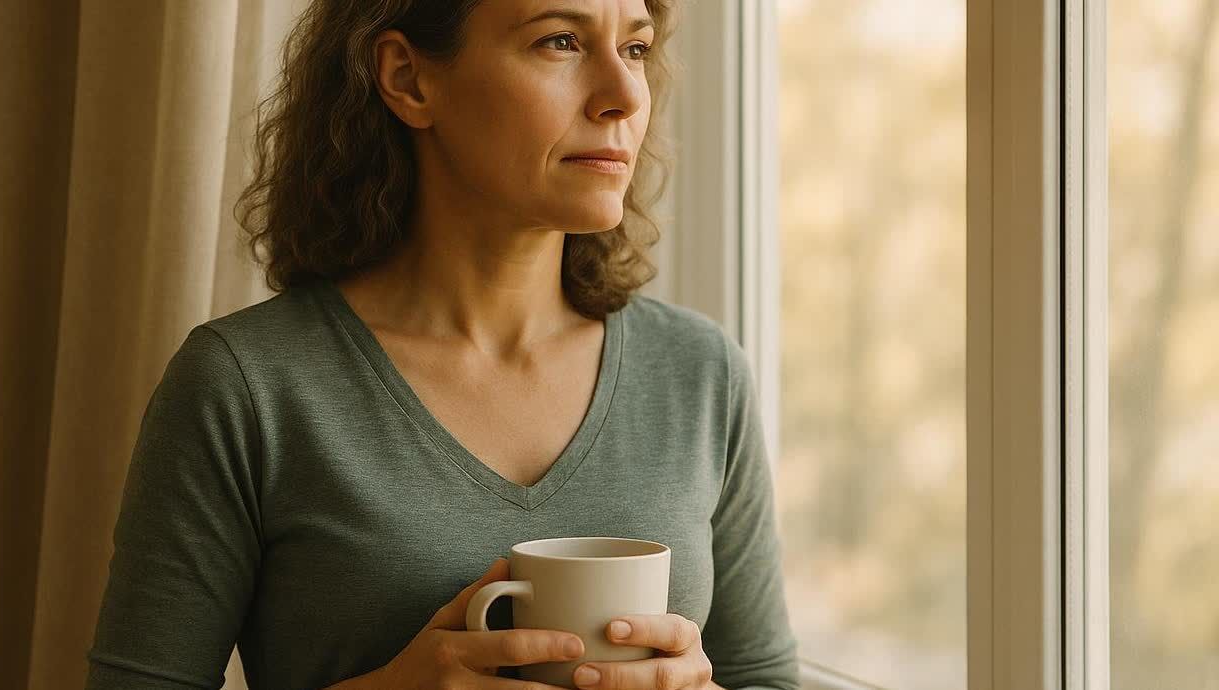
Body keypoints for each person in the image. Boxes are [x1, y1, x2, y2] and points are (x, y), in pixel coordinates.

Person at [84, 1, 799, 688]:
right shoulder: (244, 388)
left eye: (635, 48)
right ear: (407, 78)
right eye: (560, 41)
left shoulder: (701, 375)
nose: (622, 96)